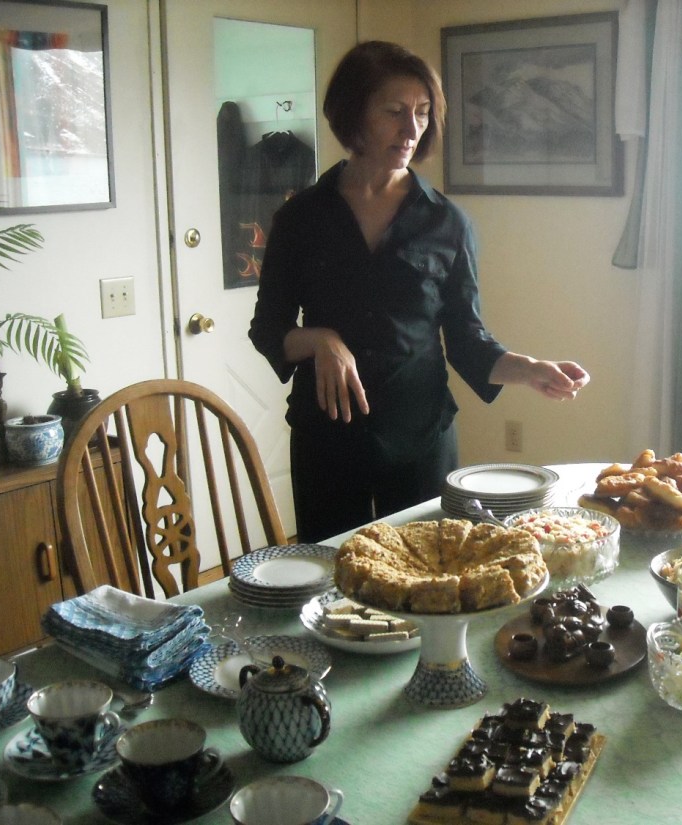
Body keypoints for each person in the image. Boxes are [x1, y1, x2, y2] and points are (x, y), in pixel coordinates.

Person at [249, 41, 589, 542]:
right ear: (353, 114)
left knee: (427, 571)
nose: (412, 129)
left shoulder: (447, 223)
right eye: (394, 112)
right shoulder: (300, 219)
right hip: (326, 438)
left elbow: (468, 341)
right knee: (333, 574)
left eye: (423, 113)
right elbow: (268, 329)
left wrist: (530, 369)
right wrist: (319, 340)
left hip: (420, 437)